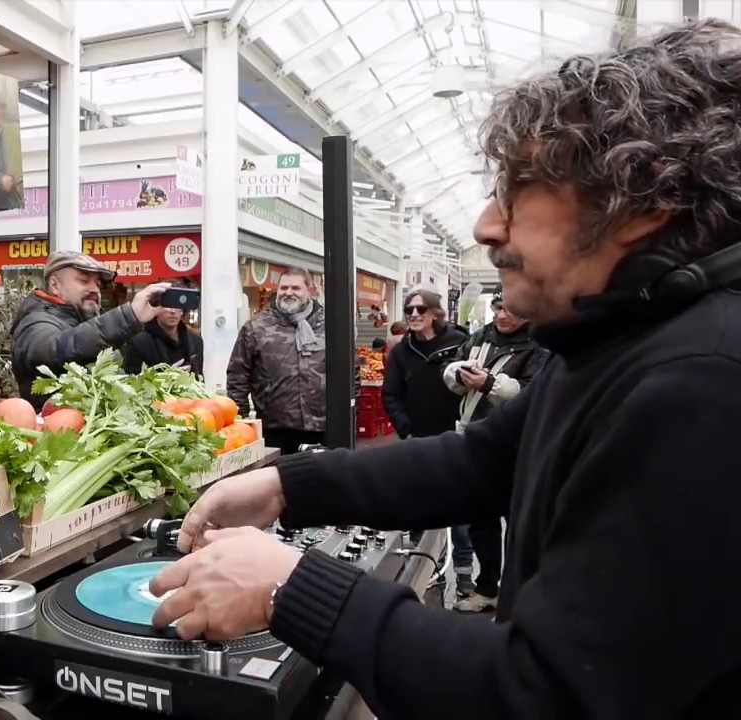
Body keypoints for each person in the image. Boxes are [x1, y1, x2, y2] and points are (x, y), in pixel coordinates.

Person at [145, 20, 741, 717]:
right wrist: (282, 485)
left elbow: (546, 695)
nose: (487, 226)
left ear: (643, 202)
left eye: (519, 190)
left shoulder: (705, 384)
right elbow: (483, 461)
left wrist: (290, 587)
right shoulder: (620, 333)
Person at [442, 295, 548, 612]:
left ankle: (521, 593)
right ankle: (486, 588)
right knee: (481, 520)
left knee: (520, 523)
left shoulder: (539, 342)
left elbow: (536, 392)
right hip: (476, 439)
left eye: (510, 310)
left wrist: (492, 384)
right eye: (498, 308)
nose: (502, 315)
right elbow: (453, 367)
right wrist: (458, 375)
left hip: (518, 444)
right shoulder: (481, 336)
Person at [10, 251, 167, 412]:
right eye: (84, 280)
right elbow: (55, 349)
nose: (94, 289)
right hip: (56, 431)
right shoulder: (34, 321)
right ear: (55, 285)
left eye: (98, 284)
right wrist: (129, 316)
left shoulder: (87, 321)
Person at [226, 268, 326, 454]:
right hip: (275, 429)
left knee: (320, 482)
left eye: (296, 288)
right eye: (284, 287)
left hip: (323, 427)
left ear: (310, 291)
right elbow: (237, 377)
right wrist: (241, 423)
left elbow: (350, 372)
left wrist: (351, 414)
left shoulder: (329, 326)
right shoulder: (256, 328)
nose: (289, 292)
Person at [383, 288, 467, 440]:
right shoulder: (400, 351)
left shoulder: (460, 343)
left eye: (421, 309)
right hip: (417, 438)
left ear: (435, 314)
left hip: (456, 437)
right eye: (409, 310)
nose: (414, 314)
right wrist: (405, 430)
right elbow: (391, 394)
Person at [122, 291, 204, 376]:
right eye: (167, 305)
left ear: (182, 311)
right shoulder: (139, 343)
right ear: (156, 308)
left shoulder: (195, 341)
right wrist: (165, 377)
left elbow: (200, 377)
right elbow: (131, 380)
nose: (173, 311)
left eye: (177, 306)